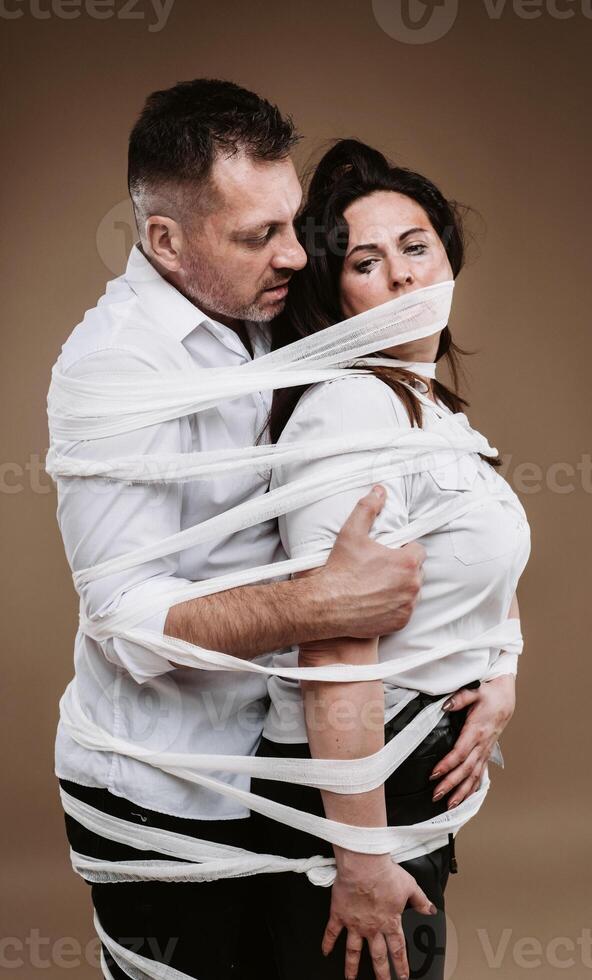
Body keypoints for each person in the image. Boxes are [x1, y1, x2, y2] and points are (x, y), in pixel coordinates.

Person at [51, 81, 431, 980]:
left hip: (276, 764)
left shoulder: (268, 310)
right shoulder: (115, 365)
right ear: (165, 242)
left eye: (293, 221)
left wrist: (492, 662)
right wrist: (322, 603)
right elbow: (126, 618)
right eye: (259, 236)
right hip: (159, 787)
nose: (297, 255)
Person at [250, 139, 531, 980]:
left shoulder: (427, 410)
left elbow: (477, 570)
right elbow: (334, 647)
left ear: (449, 255)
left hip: (404, 785)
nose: (404, 276)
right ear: (335, 296)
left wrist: (502, 673)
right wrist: (362, 856)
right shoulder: (349, 414)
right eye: (367, 263)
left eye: (417, 247)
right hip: (350, 806)